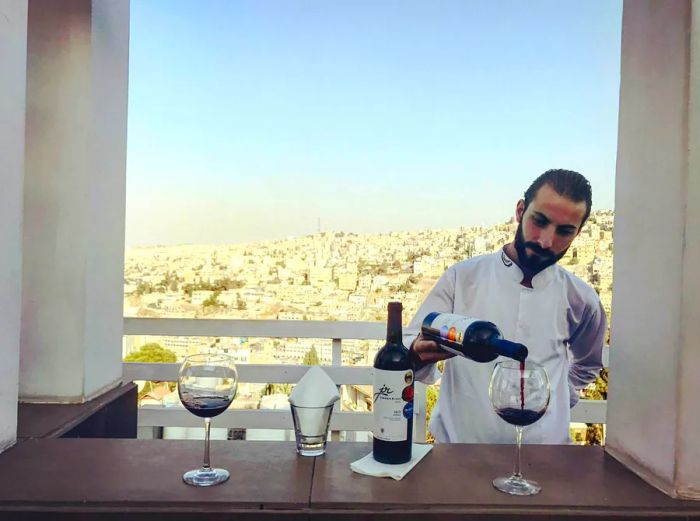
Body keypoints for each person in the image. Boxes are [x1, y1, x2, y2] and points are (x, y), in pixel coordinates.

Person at [404, 169, 606, 444]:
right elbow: (409, 344)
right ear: (520, 211)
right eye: (540, 221)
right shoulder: (462, 278)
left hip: (547, 461)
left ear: (578, 232)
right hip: (460, 456)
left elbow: (587, 364)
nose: (547, 240)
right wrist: (417, 353)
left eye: (565, 231)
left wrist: (556, 398)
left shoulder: (581, 298)